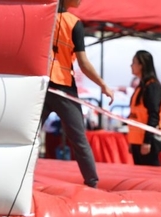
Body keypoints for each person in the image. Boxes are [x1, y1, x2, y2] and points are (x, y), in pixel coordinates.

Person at [40, 0, 114, 188]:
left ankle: (17, 179)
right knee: (79, 139)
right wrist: (103, 85)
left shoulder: (42, 16)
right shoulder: (74, 23)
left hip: (41, 85)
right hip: (63, 88)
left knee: (29, 136)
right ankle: (92, 182)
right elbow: (83, 63)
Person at [127, 50, 161, 166]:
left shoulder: (152, 87)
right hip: (137, 140)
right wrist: (132, 141)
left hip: (148, 142)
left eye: (134, 62)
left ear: (141, 65)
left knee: (152, 174)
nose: (131, 65)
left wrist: (147, 141)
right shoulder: (141, 86)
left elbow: (154, 115)